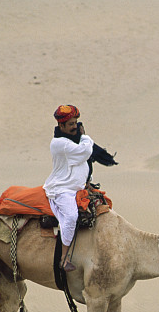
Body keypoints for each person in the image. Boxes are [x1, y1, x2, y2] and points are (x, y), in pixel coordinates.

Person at [44, 104, 117, 272]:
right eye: (71, 124)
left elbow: (83, 163)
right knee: (71, 217)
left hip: (79, 188)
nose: (75, 127)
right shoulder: (59, 143)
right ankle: (64, 258)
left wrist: (88, 182)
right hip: (62, 190)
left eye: (76, 123)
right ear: (61, 125)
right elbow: (84, 153)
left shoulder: (74, 142)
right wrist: (85, 137)